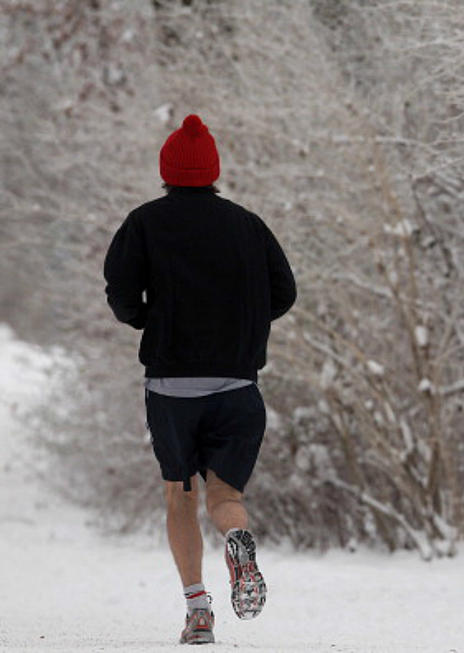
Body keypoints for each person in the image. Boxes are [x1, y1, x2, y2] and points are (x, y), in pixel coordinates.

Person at [103, 114, 296, 645]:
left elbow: (119, 291)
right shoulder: (248, 225)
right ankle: (237, 535)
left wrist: (148, 318)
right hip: (238, 386)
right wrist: (241, 325)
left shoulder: (144, 223)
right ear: (214, 171)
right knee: (225, 493)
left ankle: (198, 611)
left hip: (172, 388)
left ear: (166, 171)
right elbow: (284, 293)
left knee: (179, 494)